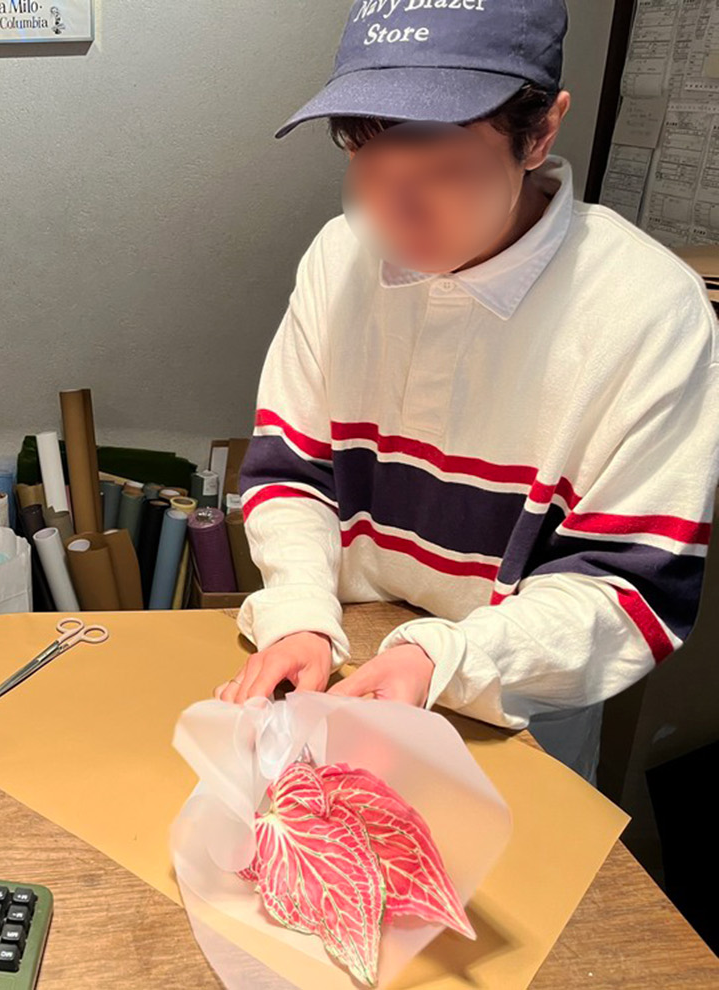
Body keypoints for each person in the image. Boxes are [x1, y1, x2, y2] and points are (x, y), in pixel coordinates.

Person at [215, 0, 719, 779]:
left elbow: (627, 591)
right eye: (368, 164)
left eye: (444, 168)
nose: (392, 210)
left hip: (510, 705)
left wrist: (444, 662)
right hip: (344, 652)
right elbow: (292, 474)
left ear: (541, 132)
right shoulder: (339, 257)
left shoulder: (645, 309)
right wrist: (297, 614)